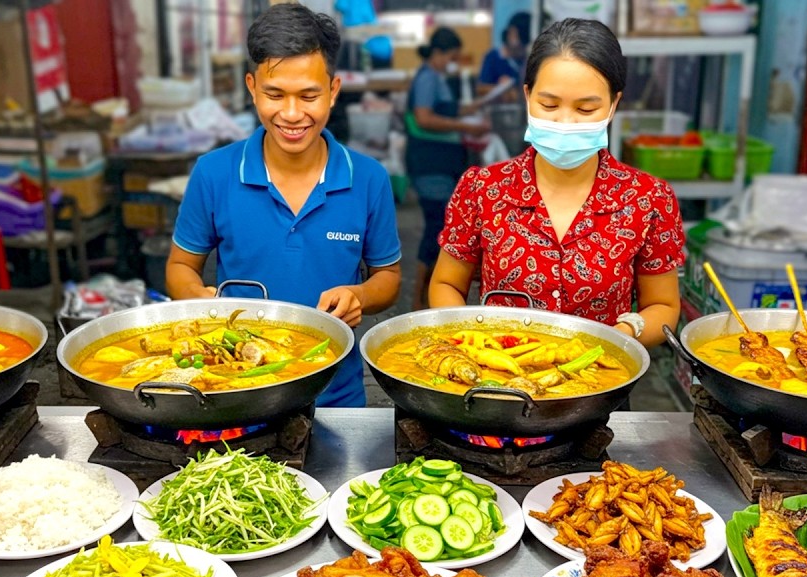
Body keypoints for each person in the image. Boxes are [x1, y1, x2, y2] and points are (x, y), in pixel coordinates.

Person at [166, 3, 402, 407]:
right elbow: (179, 266)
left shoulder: (367, 178)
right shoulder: (214, 173)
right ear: (252, 87)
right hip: (236, 393)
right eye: (275, 94)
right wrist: (198, 298)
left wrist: (359, 295)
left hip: (336, 395)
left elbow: (389, 277)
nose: (292, 114)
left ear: (333, 91)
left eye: (309, 96)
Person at [429, 18, 685, 348]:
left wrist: (619, 338)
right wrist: (474, 342)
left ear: (613, 105)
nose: (565, 122)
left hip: (601, 386)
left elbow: (662, 306)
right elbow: (446, 284)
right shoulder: (482, 189)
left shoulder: (648, 200)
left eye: (586, 108)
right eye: (549, 105)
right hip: (500, 385)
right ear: (527, 96)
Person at [405, 26, 489, 311]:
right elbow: (425, 117)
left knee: (438, 227)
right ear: (439, 53)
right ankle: (419, 299)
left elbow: (446, 110)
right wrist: (466, 126)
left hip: (442, 164)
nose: (451, 62)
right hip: (430, 165)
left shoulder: (437, 78)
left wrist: (473, 108)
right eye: (450, 56)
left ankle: (426, 296)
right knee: (434, 229)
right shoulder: (427, 79)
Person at [477, 12, 531, 102]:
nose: (521, 50)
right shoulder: (493, 57)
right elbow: (480, 88)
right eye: (520, 47)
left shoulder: (526, 60)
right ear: (510, 34)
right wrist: (501, 89)